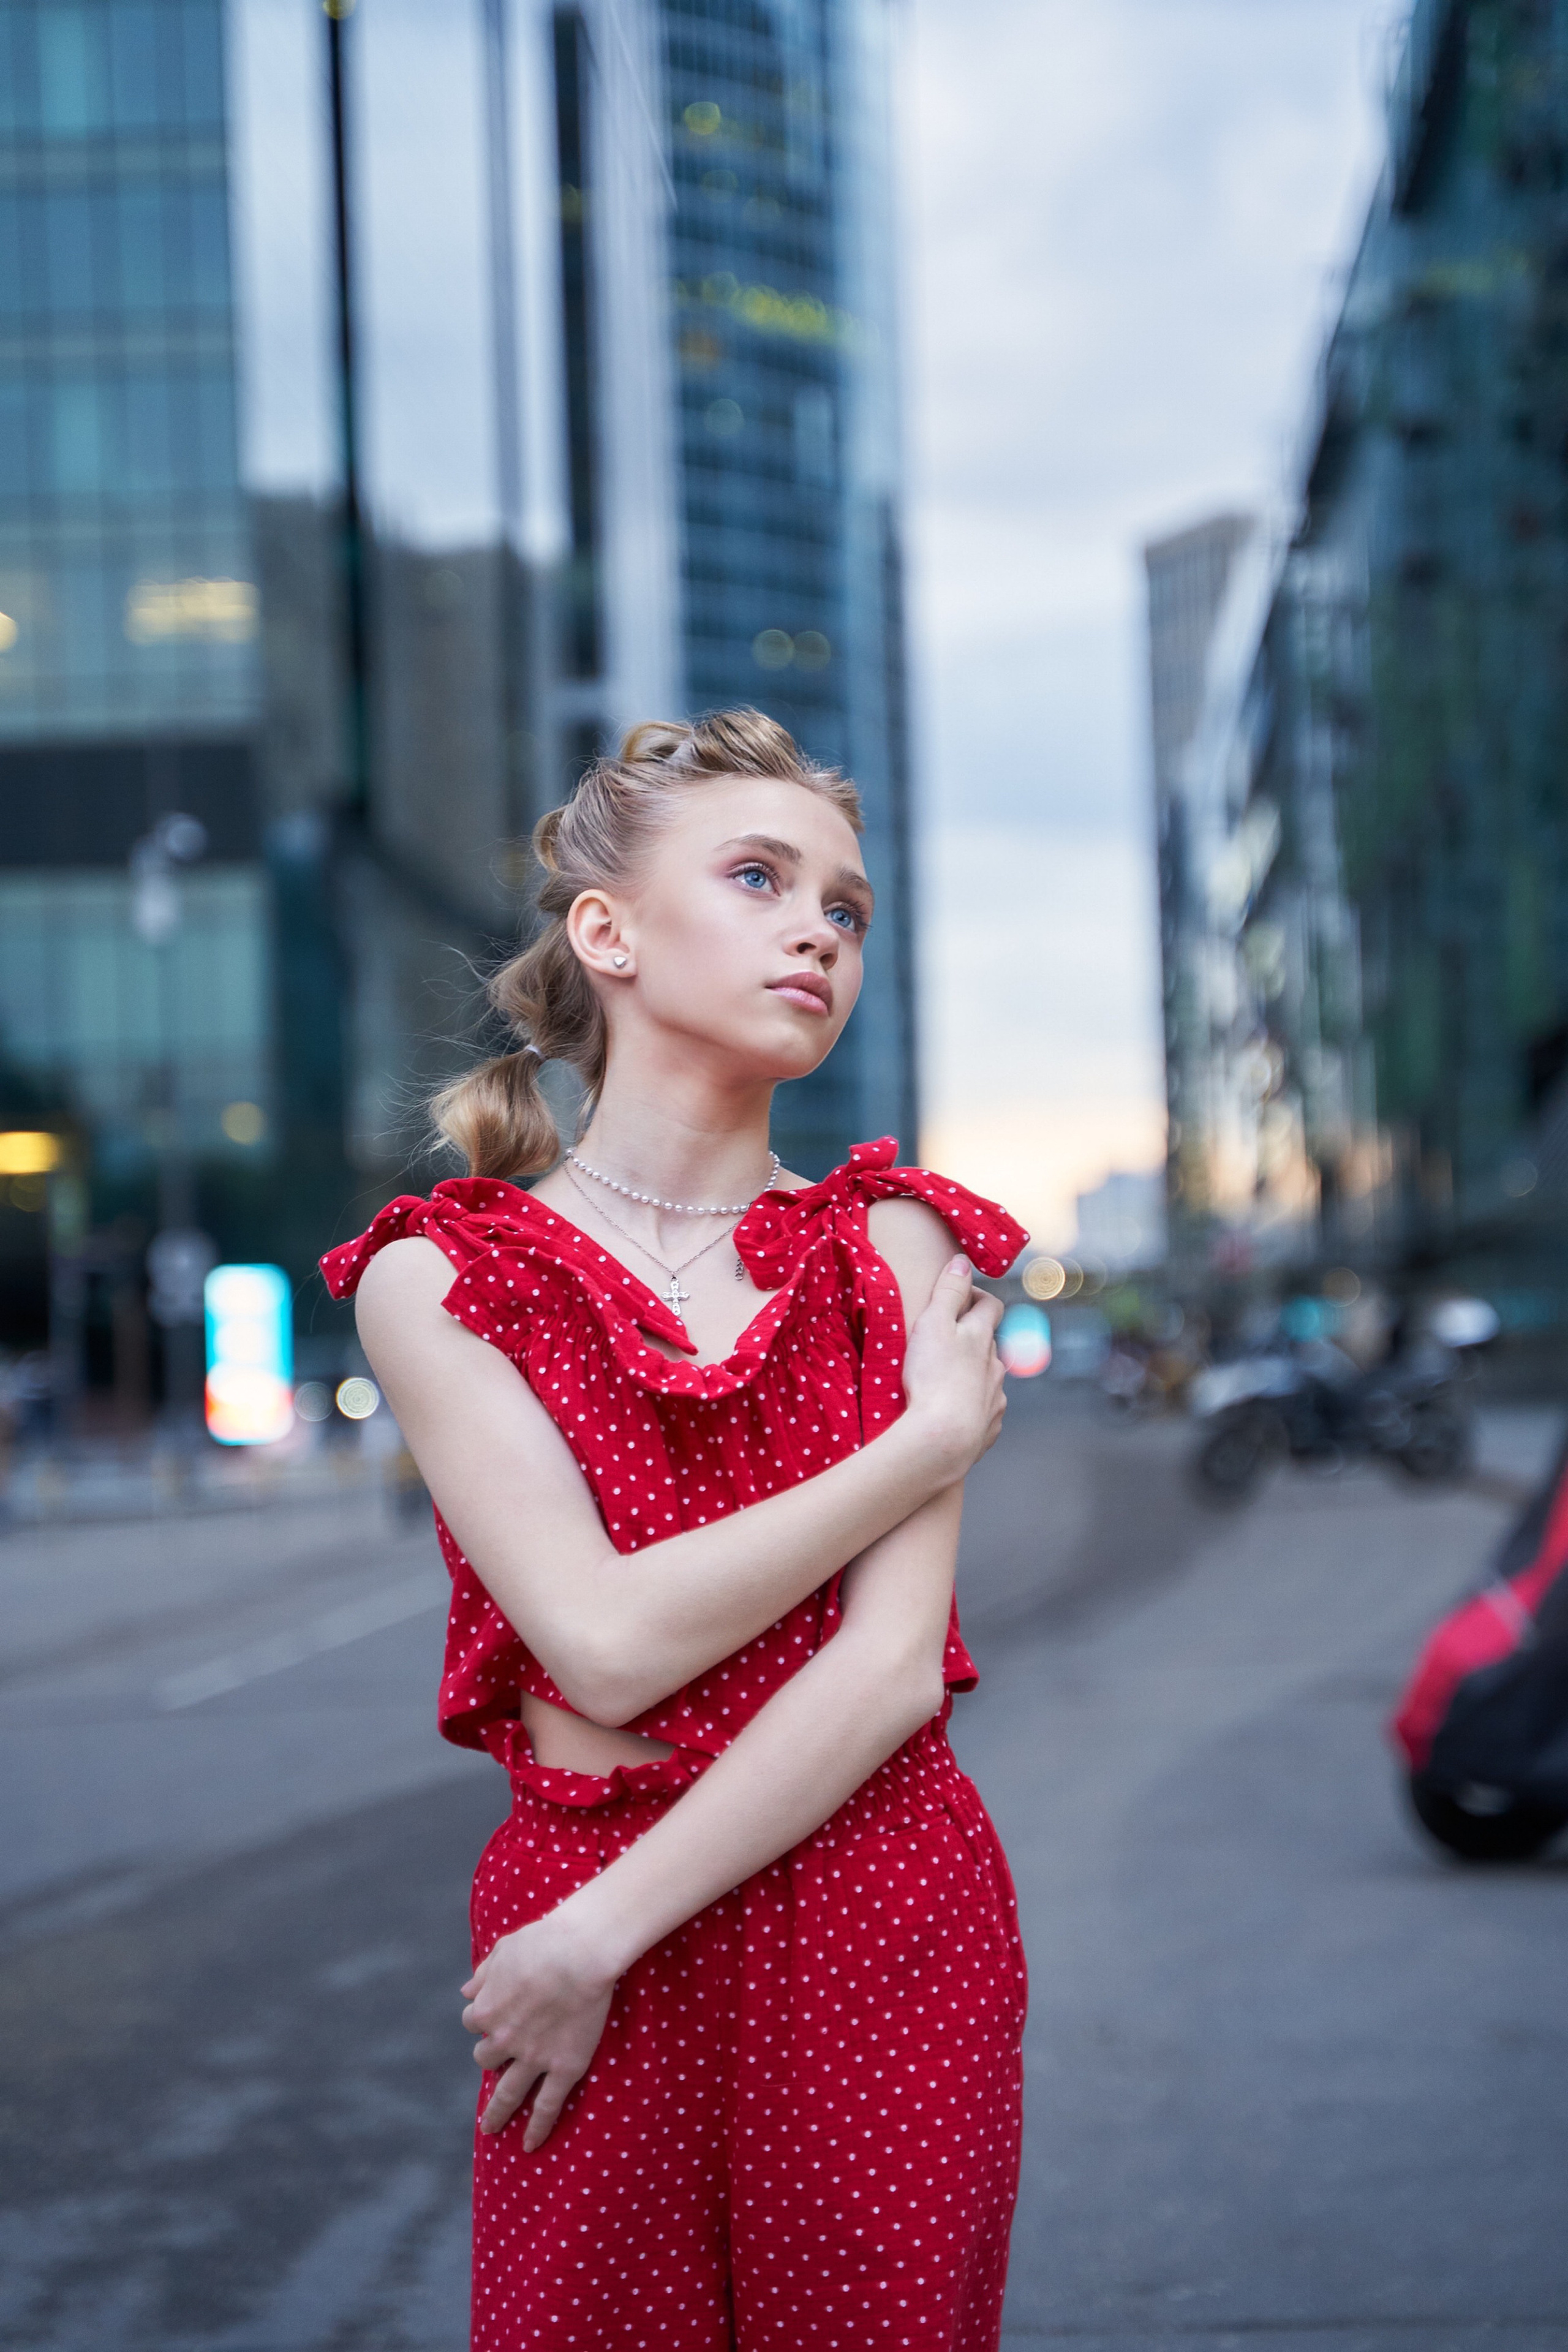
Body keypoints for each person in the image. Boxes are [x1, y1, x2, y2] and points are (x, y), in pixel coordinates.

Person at [320, 709, 1029, 2351]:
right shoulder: (446, 1278)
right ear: (608, 930)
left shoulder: (897, 1243)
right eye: (763, 878)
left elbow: (892, 1676)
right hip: (583, 1912)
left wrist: (598, 1935)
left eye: (846, 909)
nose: (817, 931)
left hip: (874, 1907)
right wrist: (922, 1441)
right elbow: (609, 1645)